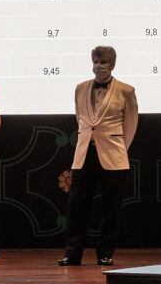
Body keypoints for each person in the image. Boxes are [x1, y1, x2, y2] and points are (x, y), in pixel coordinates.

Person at [58, 46, 138, 267]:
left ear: (112, 64)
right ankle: (72, 254)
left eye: (103, 62)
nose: (98, 66)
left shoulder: (126, 90)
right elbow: (81, 119)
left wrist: (119, 147)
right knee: (77, 206)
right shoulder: (81, 88)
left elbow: (131, 124)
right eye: (95, 61)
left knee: (111, 208)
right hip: (84, 153)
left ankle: (105, 253)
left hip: (113, 155)